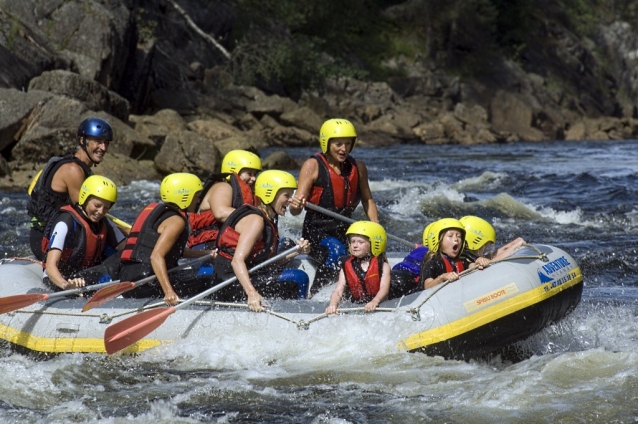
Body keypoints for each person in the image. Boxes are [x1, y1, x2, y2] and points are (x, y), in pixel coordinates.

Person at [289, 118, 378, 288]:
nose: (343, 149)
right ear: (326, 143)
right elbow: (295, 211)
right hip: (315, 233)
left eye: (347, 143)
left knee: (369, 251)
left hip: (345, 230)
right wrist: (295, 206)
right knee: (336, 250)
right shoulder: (312, 165)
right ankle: (317, 294)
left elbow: (367, 199)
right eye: (338, 144)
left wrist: (375, 227)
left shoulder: (358, 167)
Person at [212, 170, 311, 312]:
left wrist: (297, 251)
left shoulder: (269, 219)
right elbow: (237, 260)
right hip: (228, 282)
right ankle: (298, 317)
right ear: (270, 194)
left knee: (294, 276)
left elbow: (268, 263)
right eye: (286, 195)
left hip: (243, 276)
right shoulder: (256, 220)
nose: (290, 200)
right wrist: (252, 293)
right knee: (298, 278)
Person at [119, 173, 215, 305]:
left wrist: (207, 254)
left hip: (128, 277)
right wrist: (169, 292)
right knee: (209, 280)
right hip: (147, 281)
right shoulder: (176, 221)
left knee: (194, 276)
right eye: (196, 195)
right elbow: (156, 256)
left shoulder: (160, 212)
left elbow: (173, 249)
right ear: (184, 196)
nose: (198, 200)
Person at [27, 117, 115, 260]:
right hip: (47, 238)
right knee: (111, 247)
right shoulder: (73, 170)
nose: (103, 148)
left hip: (60, 233)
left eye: (106, 143)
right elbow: (85, 213)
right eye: (98, 142)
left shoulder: (81, 167)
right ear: (82, 140)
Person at [43, 175, 125, 291]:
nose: (101, 212)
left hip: (86, 275)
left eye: (106, 208)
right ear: (84, 199)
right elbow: (50, 266)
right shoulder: (65, 222)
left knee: (124, 257)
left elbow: (127, 249)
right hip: (61, 278)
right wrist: (65, 285)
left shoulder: (105, 222)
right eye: (97, 205)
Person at [188, 150, 262, 250]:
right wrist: (254, 217)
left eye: (255, 174)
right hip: (206, 244)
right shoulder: (223, 187)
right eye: (249, 173)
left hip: (222, 242)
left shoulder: (246, 193)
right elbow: (221, 213)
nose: (254, 179)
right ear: (233, 170)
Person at [325, 221, 391, 315]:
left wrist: (375, 301)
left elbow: (384, 288)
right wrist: (333, 304)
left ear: (374, 244)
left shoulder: (384, 266)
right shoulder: (346, 266)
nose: (355, 245)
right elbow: (338, 290)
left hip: (379, 304)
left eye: (361, 242)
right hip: (356, 303)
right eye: (352, 242)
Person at [420, 218, 490, 289]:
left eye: (459, 236)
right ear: (439, 241)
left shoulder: (460, 260)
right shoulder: (432, 262)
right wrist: (442, 278)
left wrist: (479, 264)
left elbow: (471, 266)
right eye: (450, 236)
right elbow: (427, 286)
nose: (456, 239)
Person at [459, 215, 526, 262]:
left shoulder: (463, 253)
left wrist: (511, 245)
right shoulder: (465, 259)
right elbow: (491, 263)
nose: (485, 249)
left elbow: (489, 257)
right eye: (484, 246)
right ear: (475, 243)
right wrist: (514, 246)